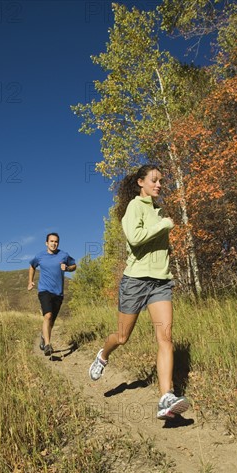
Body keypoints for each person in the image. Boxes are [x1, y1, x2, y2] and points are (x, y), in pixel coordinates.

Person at [89, 164, 189, 420]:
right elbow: (134, 237)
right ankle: (103, 355)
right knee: (122, 337)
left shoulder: (159, 212)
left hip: (160, 282)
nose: (159, 185)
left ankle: (166, 397)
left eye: (161, 181)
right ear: (140, 183)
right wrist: (164, 226)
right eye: (154, 180)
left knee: (166, 338)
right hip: (135, 281)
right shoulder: (134, 207)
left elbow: (158, 244)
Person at [28, 233, 76, 356]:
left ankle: (44, 337)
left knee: (51, 321)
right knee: (48, 316)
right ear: (46, 243)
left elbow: (74, 266)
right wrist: (30, 281)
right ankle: (48, 346)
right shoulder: (40, 256)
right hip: (44, 290)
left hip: (58, 293)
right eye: (51, 241)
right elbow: (32, 266)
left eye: (56, 242)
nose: (54, 243)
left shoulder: (63, 255)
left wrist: (67, 269)